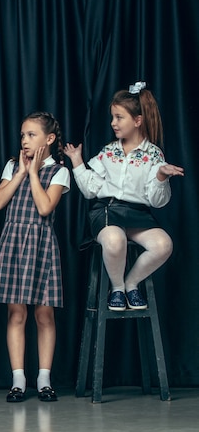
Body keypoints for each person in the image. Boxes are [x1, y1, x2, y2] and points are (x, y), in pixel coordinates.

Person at [64, 82, 183, 312]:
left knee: (163, 244)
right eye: (112, 117)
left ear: (137, 120)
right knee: (115, 240)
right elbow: (90, 190)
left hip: (138, 216)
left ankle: (131, 283)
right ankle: (117, 288)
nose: (113, 123)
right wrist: (77, 162)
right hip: (108, 211)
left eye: (119, 117)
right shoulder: (109, 151)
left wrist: (160, 176)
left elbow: (157, 201)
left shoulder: (154, 154)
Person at [0, 111, 70, 403]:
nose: (24, 140)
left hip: (41, 243)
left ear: (49, 139)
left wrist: (34, 173)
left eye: (31, 135)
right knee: (16, 313)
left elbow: (46, 207)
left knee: (44, 314)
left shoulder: (58, 171)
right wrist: (22, 171)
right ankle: (18, 380)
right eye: (22, 135)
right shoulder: (12, 166)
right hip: (13, 243)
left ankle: (44, 379)